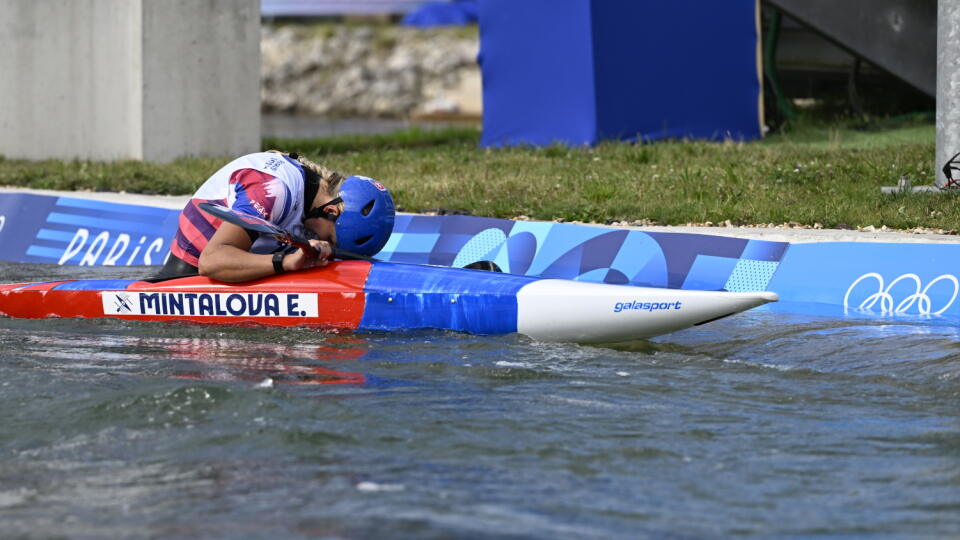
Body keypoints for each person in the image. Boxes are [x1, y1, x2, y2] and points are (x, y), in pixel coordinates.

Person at [156, 150, 395, 282]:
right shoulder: (273, 190)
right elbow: (211, 262)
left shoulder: (313, 198)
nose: (327, 247)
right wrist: (284, 262)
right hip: (190, 271)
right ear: (331, 211)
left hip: (244, 254)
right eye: (331, 241)